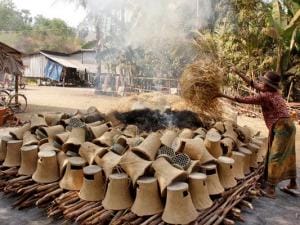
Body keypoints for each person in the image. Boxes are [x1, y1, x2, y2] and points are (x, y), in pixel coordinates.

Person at [220, 70, 298, 198]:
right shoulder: (274, 92)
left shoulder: (265, 96)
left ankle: (271, 190)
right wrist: (238, 72)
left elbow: (242, 100)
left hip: (282, 126)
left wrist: (221, 95)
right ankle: (293, 183)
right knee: (290, 154)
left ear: (268, 85)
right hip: (290, 125)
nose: (261, 83)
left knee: (275, 156)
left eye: (264, 82)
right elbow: (253, 84)